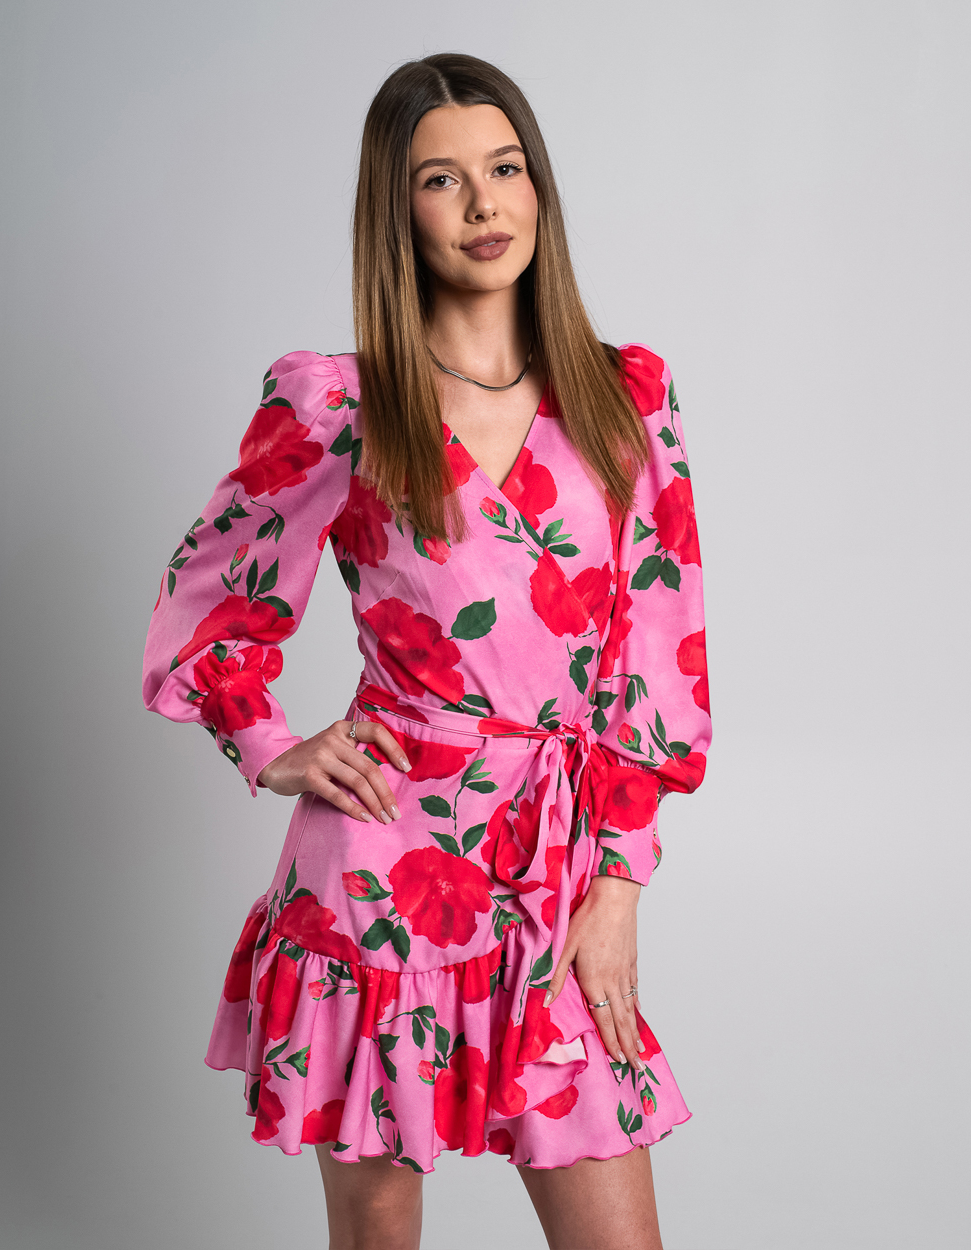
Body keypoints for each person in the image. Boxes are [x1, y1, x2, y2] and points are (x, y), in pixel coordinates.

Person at [142, 52, 710, 1250]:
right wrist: (268, 741)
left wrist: (618, 882)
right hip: (379, 872)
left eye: (504, 169)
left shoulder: (624, 400)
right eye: (442, 180)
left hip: (556, 869)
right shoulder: (339, 404)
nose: (483, 203)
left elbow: (657, 665)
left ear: (538, 187)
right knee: (378, 1234)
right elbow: (211, 593)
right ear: (396, 210)